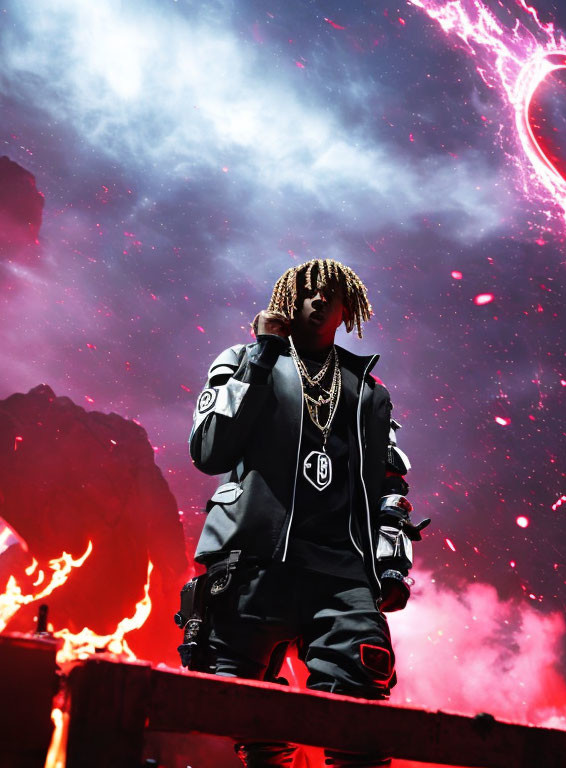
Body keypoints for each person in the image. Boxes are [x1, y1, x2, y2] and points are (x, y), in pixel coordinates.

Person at [184, 259, 429, 767]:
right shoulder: (244, 359)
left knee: (360, 723)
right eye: (307, 292)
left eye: (330, 295)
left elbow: (389, 485)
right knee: (247, 720)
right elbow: (210, 451)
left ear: (347, 310)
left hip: (340, 574)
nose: (317, 300)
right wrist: (263, 353)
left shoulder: (369, 391)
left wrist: (390, 566)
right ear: (288, 300)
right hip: (254, 563)